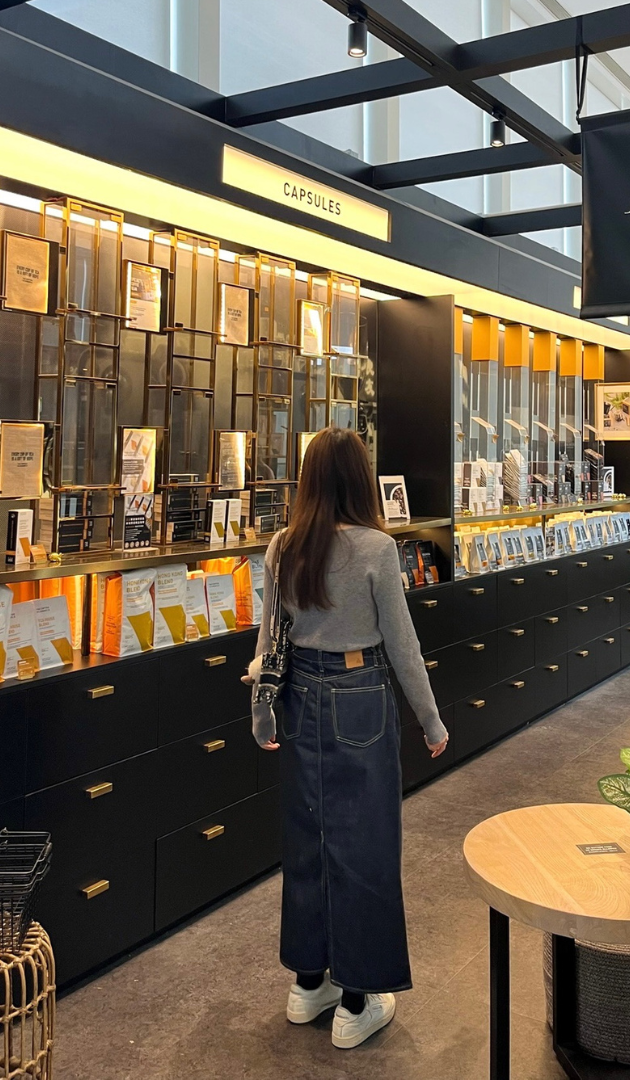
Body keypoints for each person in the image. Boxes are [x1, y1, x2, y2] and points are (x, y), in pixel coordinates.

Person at [245, 427, 449, 1050]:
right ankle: (357, 999)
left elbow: (268, 641)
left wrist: (261, 714)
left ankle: (308, 983)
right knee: (366, 843)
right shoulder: (377, 549)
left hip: (298, 697)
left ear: (308, 480)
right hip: (359, 696)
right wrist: (431, 720)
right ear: (361, 480)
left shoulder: (283, 545)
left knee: (307, 839)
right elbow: (404, 645)